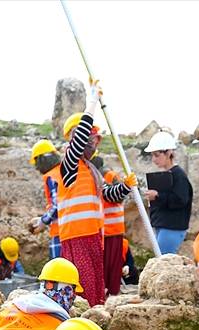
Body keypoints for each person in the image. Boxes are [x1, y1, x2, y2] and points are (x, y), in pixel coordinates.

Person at [58, 83, 136, 304]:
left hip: (93, 236)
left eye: (96, 138)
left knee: (95, 290)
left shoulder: (91, 170)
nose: (93, 141)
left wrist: (126, 187)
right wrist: (92, 104)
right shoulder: (69, 164)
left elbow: (108, 196)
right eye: (90, 137)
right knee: (82, 291)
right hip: (76, 237)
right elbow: (80, 139)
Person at [142, 131, 193, 255]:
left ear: (169, 152)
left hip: (172, 227)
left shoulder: (178, 175)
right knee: (162, 261)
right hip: (164, 225)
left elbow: (181, 200)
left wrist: (158, 195)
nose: (154, 159)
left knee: (163, 261)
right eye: (152, 155)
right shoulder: (168, 174)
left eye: (157, 155)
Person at [28, 140, 64, 259]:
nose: (37, 168)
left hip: (61, 233)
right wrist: (42, 220)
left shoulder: (52, 177)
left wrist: (43, 221)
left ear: (42, 160)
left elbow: (57, 205)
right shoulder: (62, 171)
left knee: (58, 272)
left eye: (37, 163)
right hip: (69, 231)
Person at [102, 167, 128, 296]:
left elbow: (117, 197)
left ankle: (112, 294)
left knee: (112, 267)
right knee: (104, 267)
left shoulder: (110, 176)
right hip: (103, 229)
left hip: (112, 229)